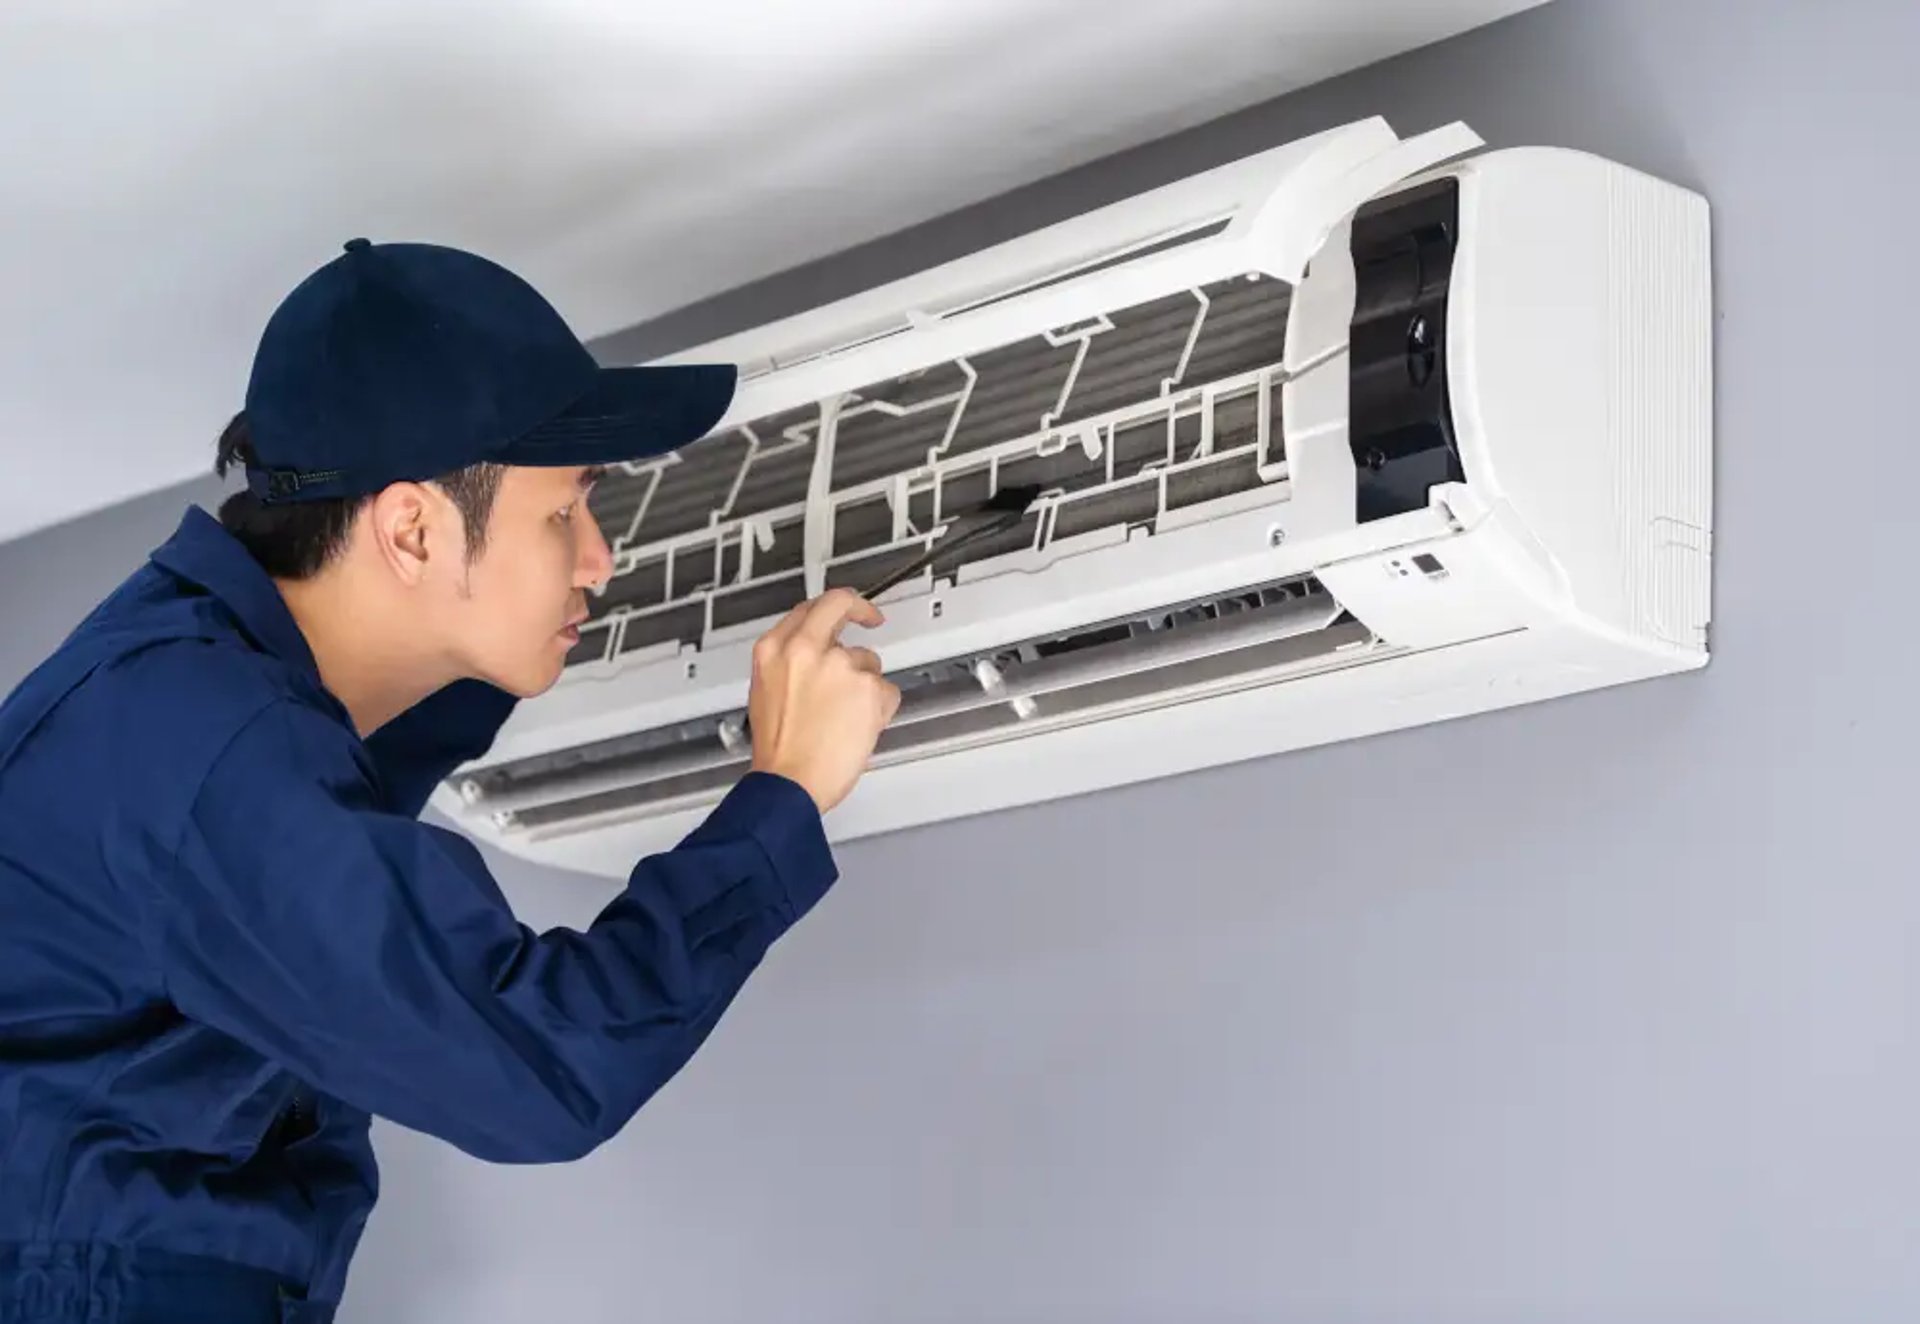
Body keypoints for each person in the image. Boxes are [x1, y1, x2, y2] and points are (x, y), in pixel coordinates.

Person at [0, 239, 900, 1323]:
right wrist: (785, 791)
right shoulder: (202, 749)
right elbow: (539, 1067)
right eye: (564, 511)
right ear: (412, 529)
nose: (600, 557)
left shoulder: (206, 702)